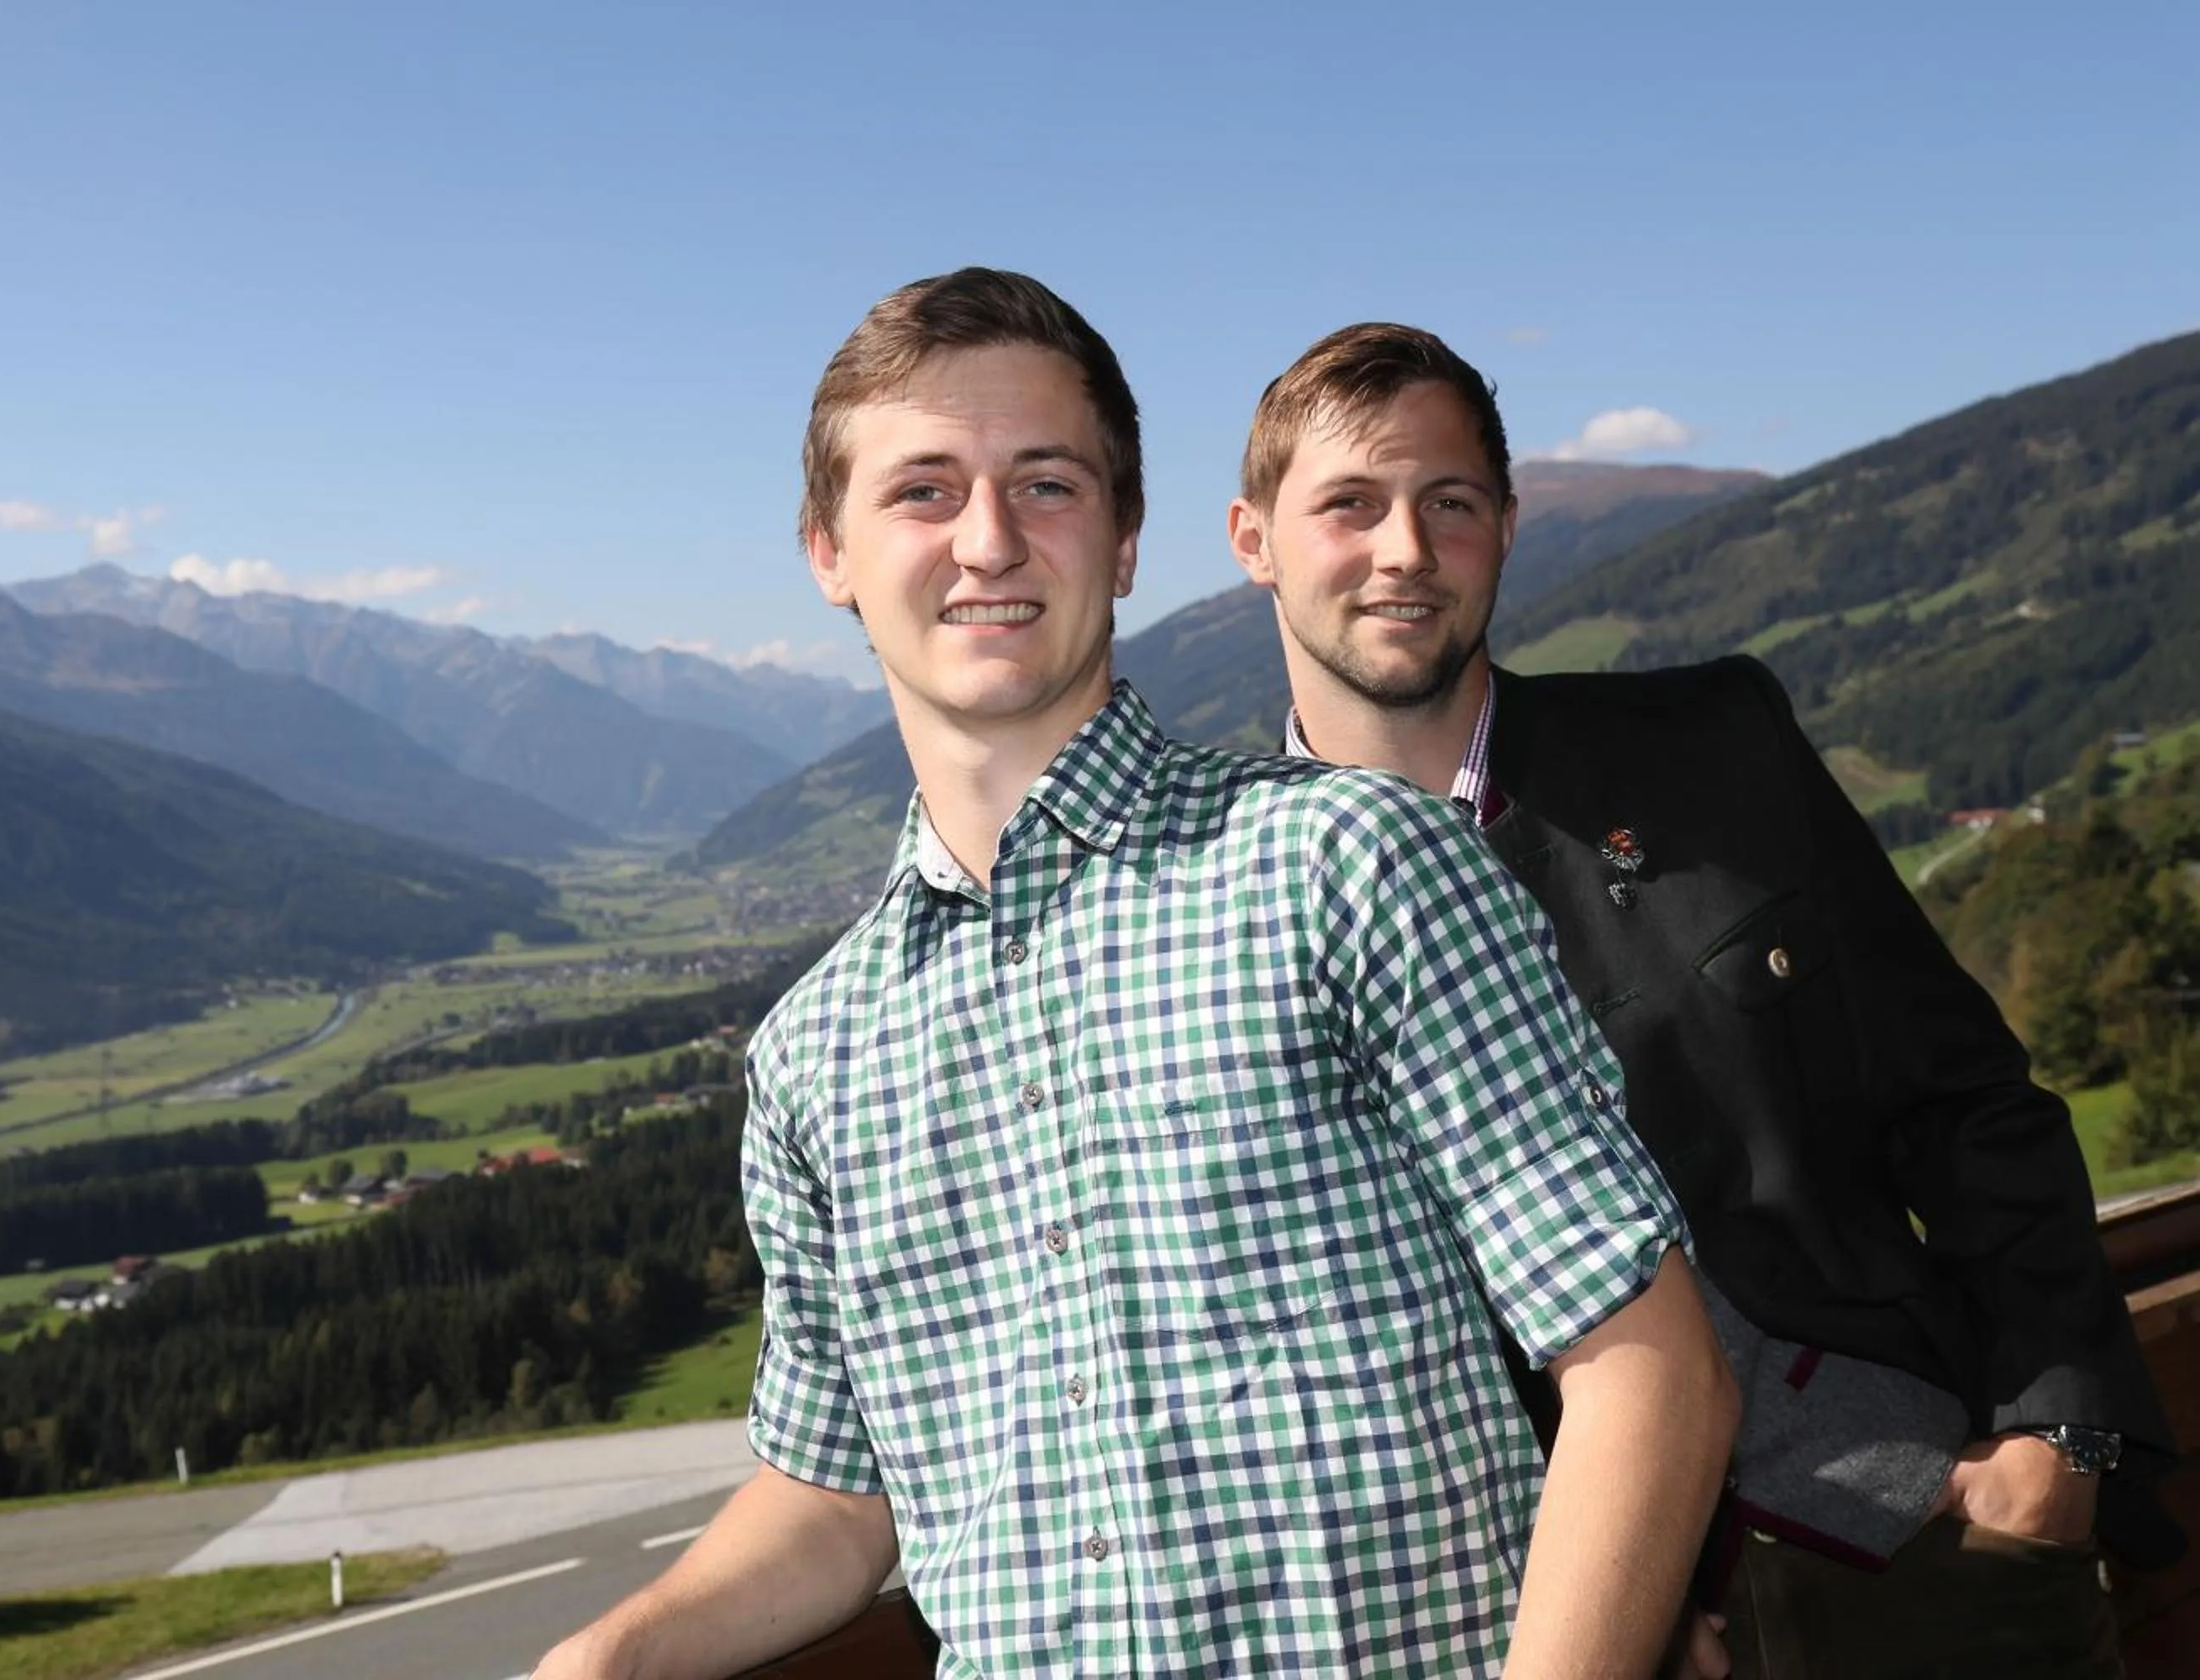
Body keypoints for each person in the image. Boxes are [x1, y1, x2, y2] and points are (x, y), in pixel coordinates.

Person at [534, 269, 1735, 1680]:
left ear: (1120, 543)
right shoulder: (815, 1056)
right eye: (923, 490)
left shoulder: (1350, 866)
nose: (988, 539)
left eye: (1044, 484)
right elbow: (844, 1501)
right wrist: (604, 1662)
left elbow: (1649, 1373)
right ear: (830, 554)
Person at [1223, 321, 2177, 1678]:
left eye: (1449, 503)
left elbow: (1965, 1097)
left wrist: (2059, 1443)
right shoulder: (1222, 912)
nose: (1404, 552)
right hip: (1558, 1616)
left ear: (1504, 524)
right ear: (1253, 538)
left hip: (1919, 1535)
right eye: (1350, 506)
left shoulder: (1712, 751)